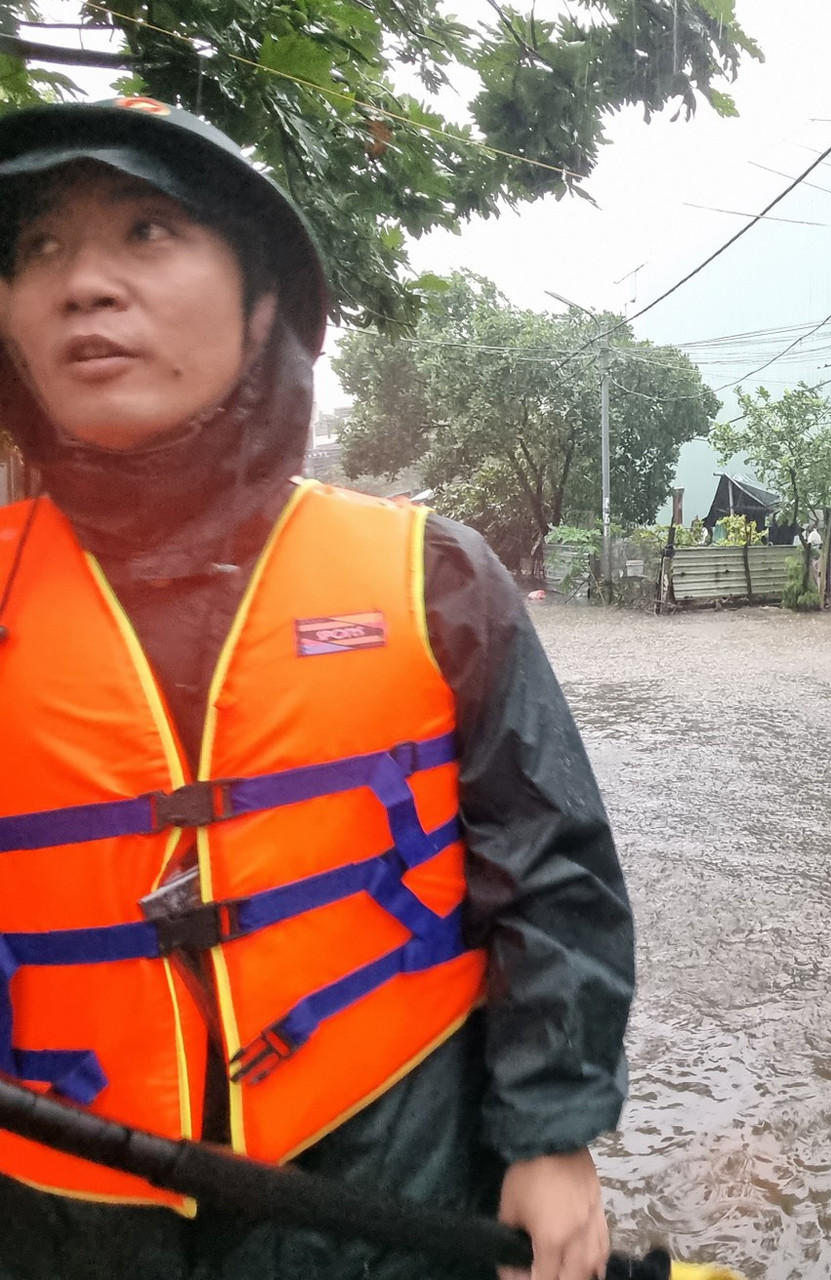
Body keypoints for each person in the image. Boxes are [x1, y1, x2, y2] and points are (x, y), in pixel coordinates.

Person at [0, 97, 635, 1280]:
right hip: (50, 1211)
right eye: (37, 247)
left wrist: (552, 1139)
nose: (81, 283)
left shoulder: (433, 575)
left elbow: (551, 868)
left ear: (261, 304)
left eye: (146, 230)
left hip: (384, 1176)